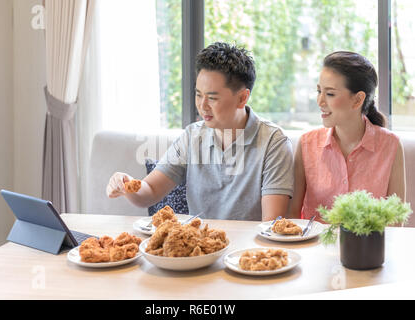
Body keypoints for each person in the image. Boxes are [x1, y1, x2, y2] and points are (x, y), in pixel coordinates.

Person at [106, 42, 294, 221]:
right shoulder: (192, 136)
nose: (202, 106)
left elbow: (270, 224)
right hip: (199, 249)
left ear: (242, 98)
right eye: (198, 94)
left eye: (212, 98)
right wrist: (127, 184)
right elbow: (150, 192)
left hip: (247, 252)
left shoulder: (273, 142)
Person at [288, 51, 406, 222]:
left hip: (368, 247)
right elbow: (293, 216)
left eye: (330, 94)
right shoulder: (307, 144)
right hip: (315, 246)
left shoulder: (391, 146)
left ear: (358, 99)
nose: (320, 101)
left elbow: (396, 220)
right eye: (319, 91)